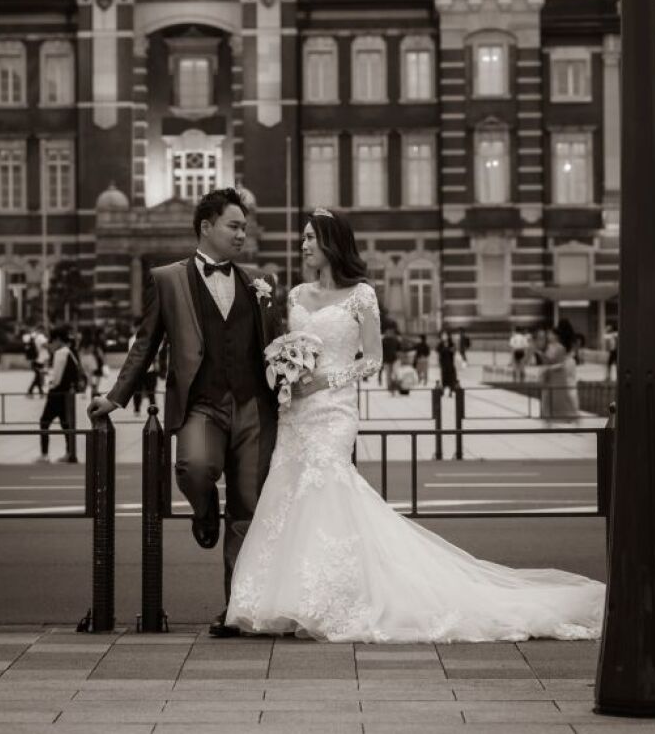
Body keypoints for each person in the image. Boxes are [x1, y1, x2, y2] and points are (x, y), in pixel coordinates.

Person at [225, 208, 603, 642]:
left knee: (325, 485)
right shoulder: (294, 296)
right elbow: (289, 346)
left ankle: (329, 597)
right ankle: (287, 600)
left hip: (334, 409)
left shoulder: (361, 295)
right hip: (295, 412)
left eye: (310, 237)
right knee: (289, 493)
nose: (303, 244)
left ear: (331, 242)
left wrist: (327, 379)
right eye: (304, 238)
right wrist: (287, 372)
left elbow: (373, 359)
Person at [87, 187, 281, 639]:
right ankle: (203, 504)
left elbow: (271, 347)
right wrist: (116, 397)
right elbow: (145, 343)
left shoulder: (257, 283)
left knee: (248, 513)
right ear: (206, 227)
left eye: (244, 227)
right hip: (203, 404)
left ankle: (237, 609)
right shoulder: (168, 280)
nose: (241, 235)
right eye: (233, 226)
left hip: (254, 407)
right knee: (194, 468)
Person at [36, 327, 83, 464]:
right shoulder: (71, 351)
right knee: (65, 424)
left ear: (57, 339)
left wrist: (49, 382)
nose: (51, 344)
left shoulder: (60, 353)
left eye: (52, 340)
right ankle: (70, 453)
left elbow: (56, 378)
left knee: (44, 421)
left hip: (57, 394)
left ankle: (44, 455)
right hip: (67, 394)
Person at [540, 323, 580, 422]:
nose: (548, 336)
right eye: (548, 334)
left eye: (550, 334)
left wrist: (549, 368)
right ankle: (547, 415)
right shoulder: (549, 347)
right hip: (550, 374)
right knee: (547, 394)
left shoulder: (560, 347)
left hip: (557, 374)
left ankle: (569, 415)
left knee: (560, 395)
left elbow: (561, 363)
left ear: (556, 335)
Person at [380, 326, 401, 394]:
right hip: (388, 360)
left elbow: (399, 349)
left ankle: (393, 387)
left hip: (393, 359)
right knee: (389, 374)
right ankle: (390, 387)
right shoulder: (384, 341)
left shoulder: (394, 340)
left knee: (393, 374)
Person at [437, 330, 458, 396]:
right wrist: (446, 349)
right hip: (444, 364)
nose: (444, 337)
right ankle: (443, 390)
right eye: (443, 335)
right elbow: (438, 350)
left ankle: (451, 391)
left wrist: (450, 349)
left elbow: (454, 351)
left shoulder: (451, 343)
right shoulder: (441, 344)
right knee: (444, 378)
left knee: (451, 378)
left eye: (445, 335)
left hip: (450, 364)